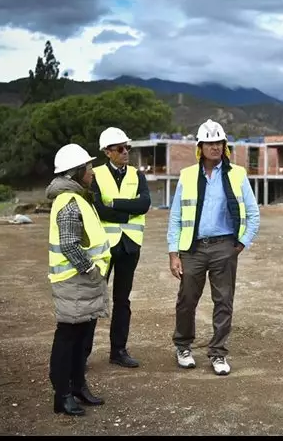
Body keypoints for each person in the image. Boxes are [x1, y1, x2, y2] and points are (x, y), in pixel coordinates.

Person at [167, 119, 260, 375]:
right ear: (200, 146)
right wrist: (174, 253)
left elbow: (253, 213)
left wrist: (241, 244)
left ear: (224, 145)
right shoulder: (187, 176)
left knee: (223, 302)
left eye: (218, 142)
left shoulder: (237, 174)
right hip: (192, 249)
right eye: (209, 142)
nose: (214, 147)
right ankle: (183, 346)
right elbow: (176, 217)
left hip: (224, 246)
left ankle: (218, 353)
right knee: (186, 300)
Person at [46, 143, 111, 416]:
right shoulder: (70, 203)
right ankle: (62, 395)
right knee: (68, 338)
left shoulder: (78, 197)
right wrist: (91, 270)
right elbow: (71, 245)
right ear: (75, 172)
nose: (92, 171)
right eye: (88, 167)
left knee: (82, 337)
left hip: (82, 283)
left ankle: (77, 387)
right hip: (75, 281)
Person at [85, 127, 151, 369]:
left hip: (130, 245)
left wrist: (114, 204)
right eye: (120, 148)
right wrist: (128, 210)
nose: (126, 152)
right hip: (104, 247)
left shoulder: (137, 175)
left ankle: (118, 351)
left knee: (122, 300)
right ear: (107, 152)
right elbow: (99, 210)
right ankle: (83, 353)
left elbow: (144, 204)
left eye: (128, 147)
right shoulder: (96, 175)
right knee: (94, 299)